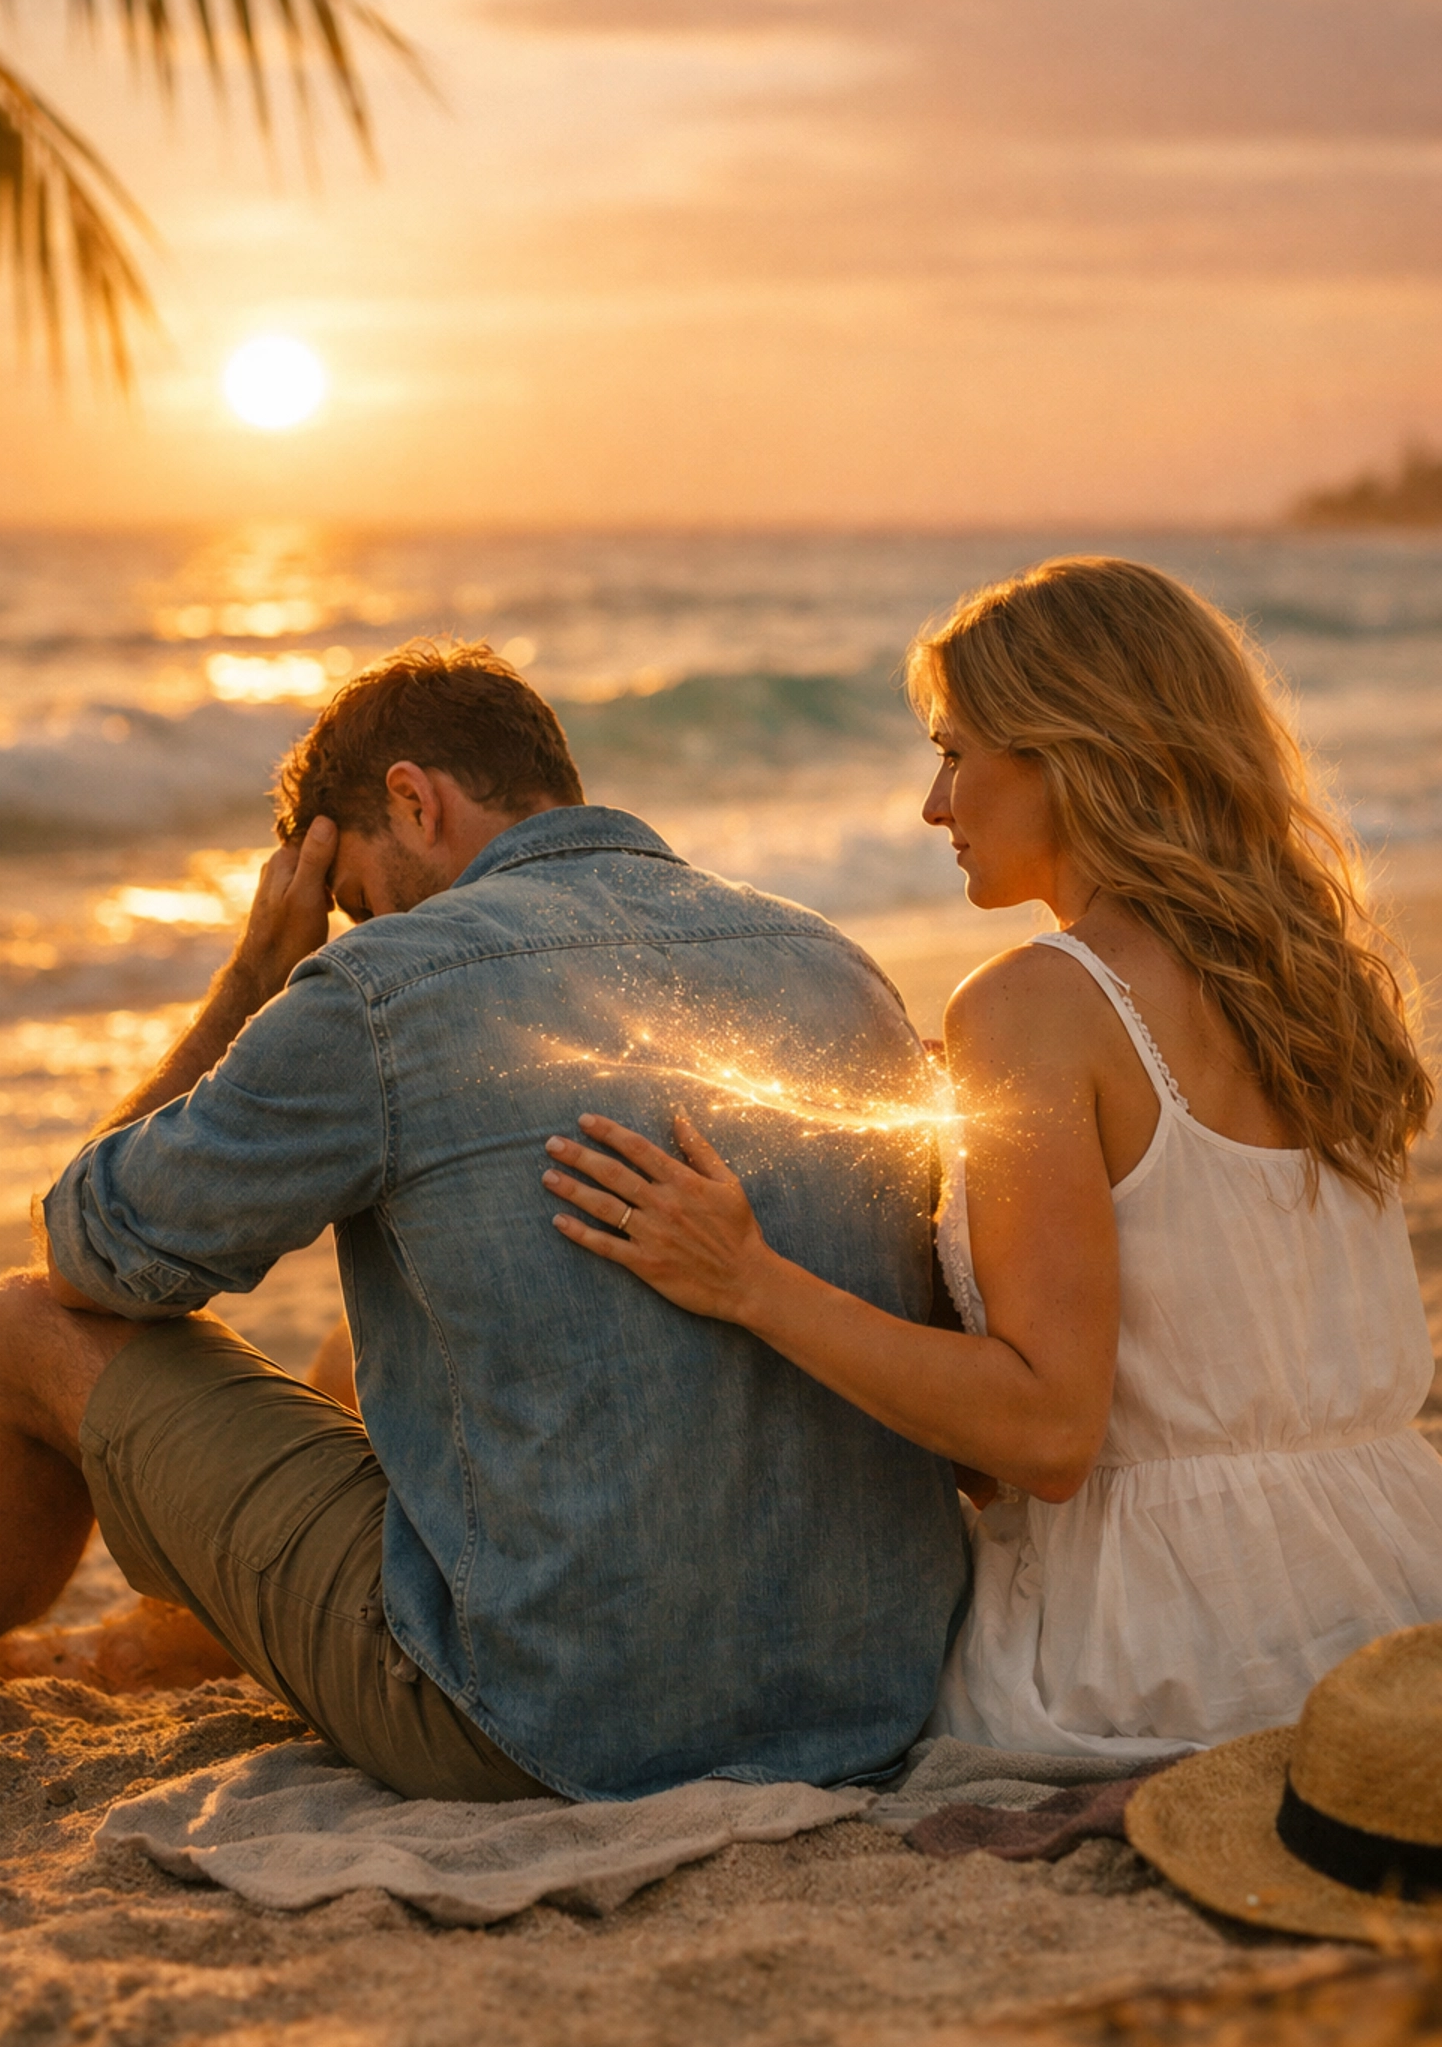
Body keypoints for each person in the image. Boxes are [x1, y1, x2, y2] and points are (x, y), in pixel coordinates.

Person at [0, 641, 970, 1801]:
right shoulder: (831, 960)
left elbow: (89, 1250)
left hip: (552, 1720)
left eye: (351, 895)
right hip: (867, 1697)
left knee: (23, 1330)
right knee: (358, 1350)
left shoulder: (383, 986)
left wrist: (258, 975)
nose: (349, 924)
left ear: (413, 802)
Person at [545, 558, 1442, 1757]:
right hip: (1391, 1599)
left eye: (957, 754)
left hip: (1166, 1654)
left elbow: (1049, 1438)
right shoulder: (1323, 983)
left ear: (1073, 756)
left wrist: (746, 1279)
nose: (934, 805)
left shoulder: (1036, 1004)